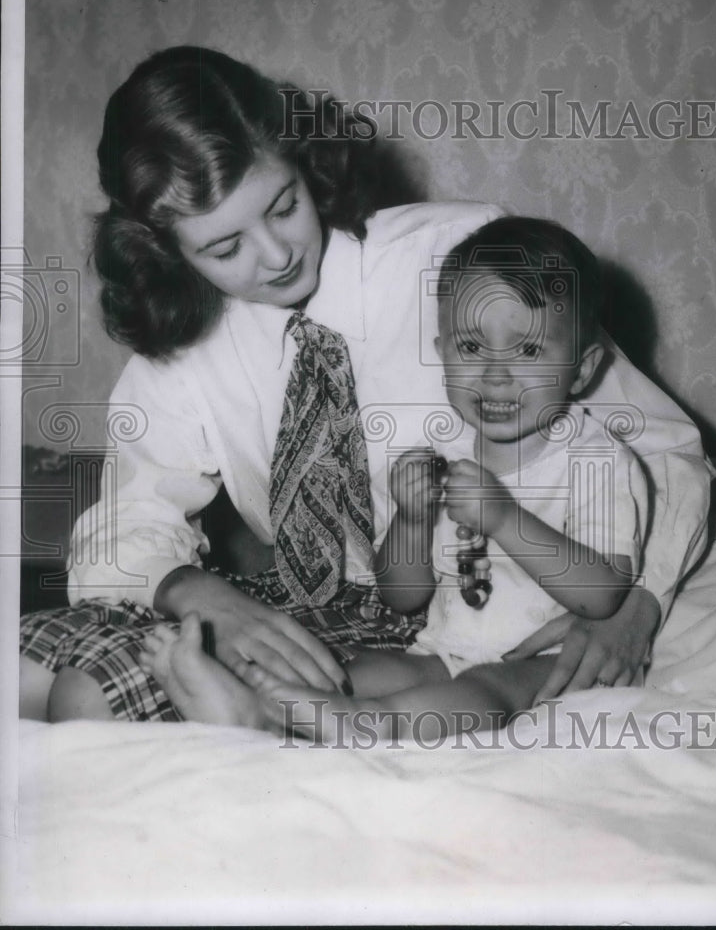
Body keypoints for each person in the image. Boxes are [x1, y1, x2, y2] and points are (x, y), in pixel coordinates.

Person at [19, 46, 711, 724]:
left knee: (106, 704)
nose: (277, 253)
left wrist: (636, 607)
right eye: (224, 249)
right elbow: (127, 525)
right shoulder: (182, 347)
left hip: (430, 615)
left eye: (284, 205)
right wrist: (196, 593)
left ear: (304, 162)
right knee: (69, 690)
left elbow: (661, 446)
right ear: (164, 251)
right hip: (297, 598)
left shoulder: (458, 254)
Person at [140, 217, 650, 739]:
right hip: (441, 648)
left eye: (529, 351)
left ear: (583, 369)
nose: (496, 374)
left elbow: (602, 593)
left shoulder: (595, 459)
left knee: (481, 697)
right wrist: (411, 520)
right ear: (441, 349)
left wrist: (503, 518)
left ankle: (332, 724)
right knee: (347, 675)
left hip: (545, 661)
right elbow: (403, 597)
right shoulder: (448, 449)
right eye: (472, 348)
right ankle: (252, 706)